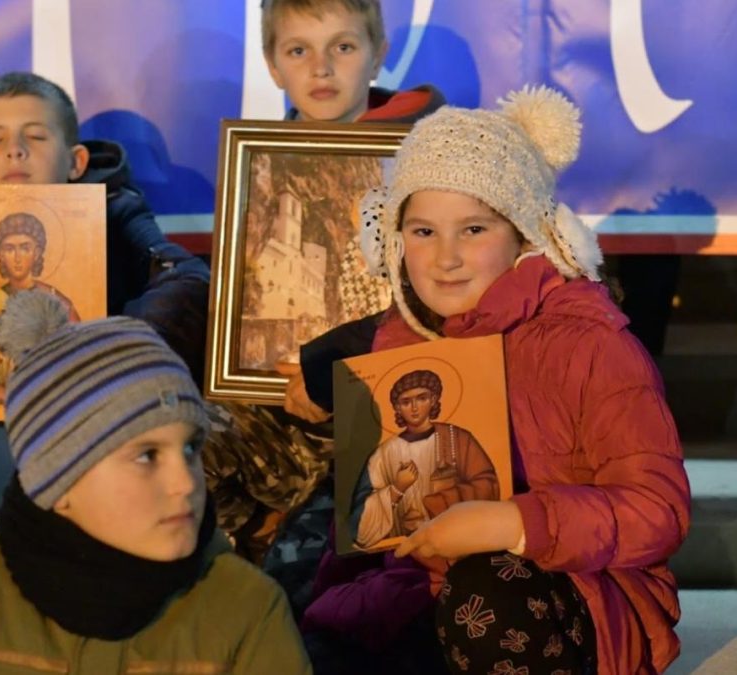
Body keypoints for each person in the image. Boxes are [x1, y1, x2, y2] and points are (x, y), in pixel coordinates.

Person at [298, 86, 690, 675]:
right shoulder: (397, 342)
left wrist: (514, 522)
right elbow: (364, 528)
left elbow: (657, 512)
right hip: (426, 585)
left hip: (567, 596)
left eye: (474, 230)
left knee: (486, 593)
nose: (445, 257)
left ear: (524, 235)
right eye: (423, 232)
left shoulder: (592, 345)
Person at [0, 291, 309, 674]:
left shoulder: (248, 607)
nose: (185, 482)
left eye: (189, 449)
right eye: (147, 456)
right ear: (57, 481)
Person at [0, 71, 209, 538]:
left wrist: (107, 348)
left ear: (76, 161)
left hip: (94, 433)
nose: (15, 151)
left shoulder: (116, 212)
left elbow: (188, 277)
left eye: (35, 137)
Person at [202, 0, 445, 581]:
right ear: (272, 64)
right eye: (298, 50)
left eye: (343, 46)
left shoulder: (429, 159)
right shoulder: (257, 166)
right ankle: (260, 535)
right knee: (177, 451)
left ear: (378, 55)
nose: (321, 67)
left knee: (340, 577)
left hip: (386, 409)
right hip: (274, 411)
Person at [351, 369, 498, 549]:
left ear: (433, 399)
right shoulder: (382, 455)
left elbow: (488, 486)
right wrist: (397, 489)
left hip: (454, 542)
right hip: (401, 549)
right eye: (406, 402)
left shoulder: (457, 439)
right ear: (397, 407)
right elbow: (359, 529)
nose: (414, 407)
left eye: (421, 398)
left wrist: (433, 508)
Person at [0, 212, 80, 385]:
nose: (17, 257)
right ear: (0, 254)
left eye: (25, 248)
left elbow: (78, 353)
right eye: (9, 249)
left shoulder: (56, 300)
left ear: (37, 252)